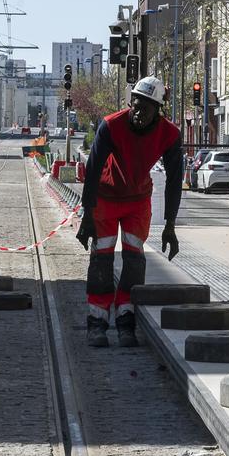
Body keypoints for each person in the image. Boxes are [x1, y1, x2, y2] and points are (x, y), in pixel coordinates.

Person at [76, 76, 183, 348]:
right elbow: (92, 171)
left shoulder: (169, 134)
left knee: (134, 260)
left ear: (157, 110)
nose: (138, 112)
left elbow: (174, 180)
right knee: (101, 259)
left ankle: (126, 321)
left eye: (145, 109)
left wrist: (170, 225)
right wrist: (87, 215)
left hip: (137, 201)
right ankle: (97, 323)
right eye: (135, 105)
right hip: (105, 197)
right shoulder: (111, 126)